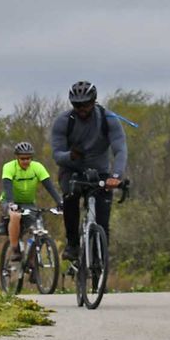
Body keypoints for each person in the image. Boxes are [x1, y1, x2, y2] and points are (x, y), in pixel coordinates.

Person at [50, 81, 128, 263]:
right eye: (77, 105)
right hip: (72, 171)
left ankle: (99, 262)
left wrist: (116, 176)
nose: (81, 109)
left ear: (93, 101)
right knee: (70, 195)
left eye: (85, 104)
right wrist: (71, 156)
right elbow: (57, 155)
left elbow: (120, 149)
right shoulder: (63, 122)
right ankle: (73, 244)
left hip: (100, 172)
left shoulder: (108, 119)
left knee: (102, 219)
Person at [0, 141, 63, 263]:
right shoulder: (9, 167)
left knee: (36, 229)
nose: (26, 161)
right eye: (23, 159)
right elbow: (7, 187)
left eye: (28, 158)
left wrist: (59, 201)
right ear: (17, 158)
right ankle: (15, 249)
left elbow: (49, 186)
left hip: (29, 203)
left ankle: (32, 263)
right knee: (15, 215)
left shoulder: (37, 167)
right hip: (9, 201)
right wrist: (11, 204)